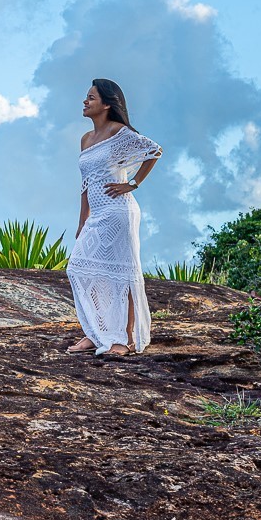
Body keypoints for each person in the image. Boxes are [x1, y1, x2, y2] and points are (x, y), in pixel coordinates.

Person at [65, 79, 162, 356]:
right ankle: (97, 332)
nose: (85, 101)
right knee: (79, 268)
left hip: (120, 212)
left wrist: (133, 183)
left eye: (91, 98)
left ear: (107, 104)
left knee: (123, 274)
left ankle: (126, 339)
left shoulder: (119, 132)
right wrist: (82, 220)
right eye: (86, 97)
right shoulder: (86, 139)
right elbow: (85, 183)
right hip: (97, 215)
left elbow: (154, 151)